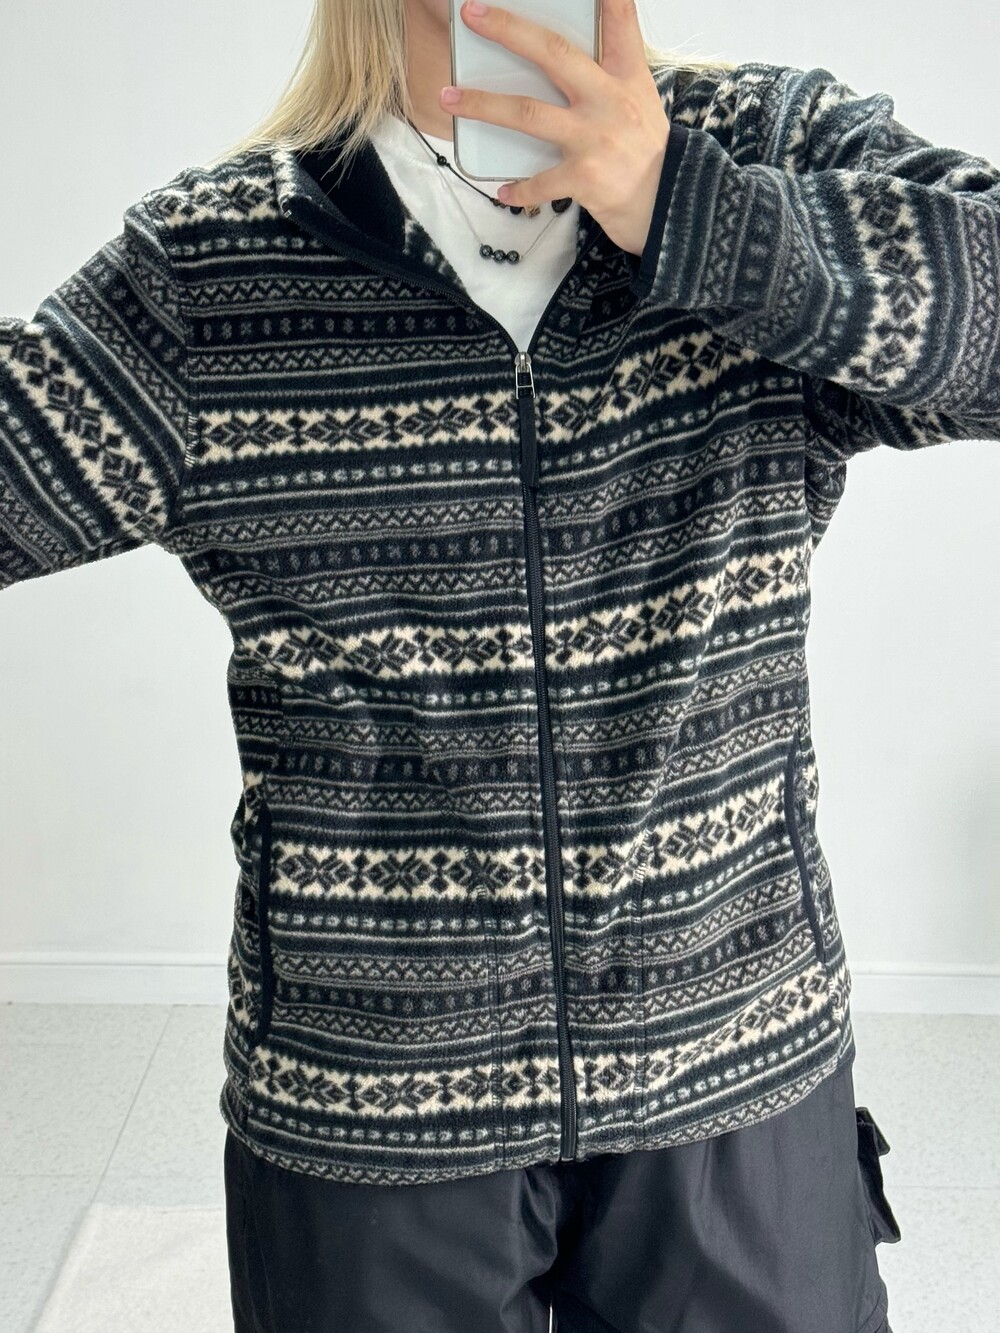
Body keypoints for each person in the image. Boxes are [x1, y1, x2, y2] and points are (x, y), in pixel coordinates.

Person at [5, 0, 995, 1328]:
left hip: (733, 1065)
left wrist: (683, 205)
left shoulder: (766, 151)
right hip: (375, 1107)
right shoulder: (215, 271)